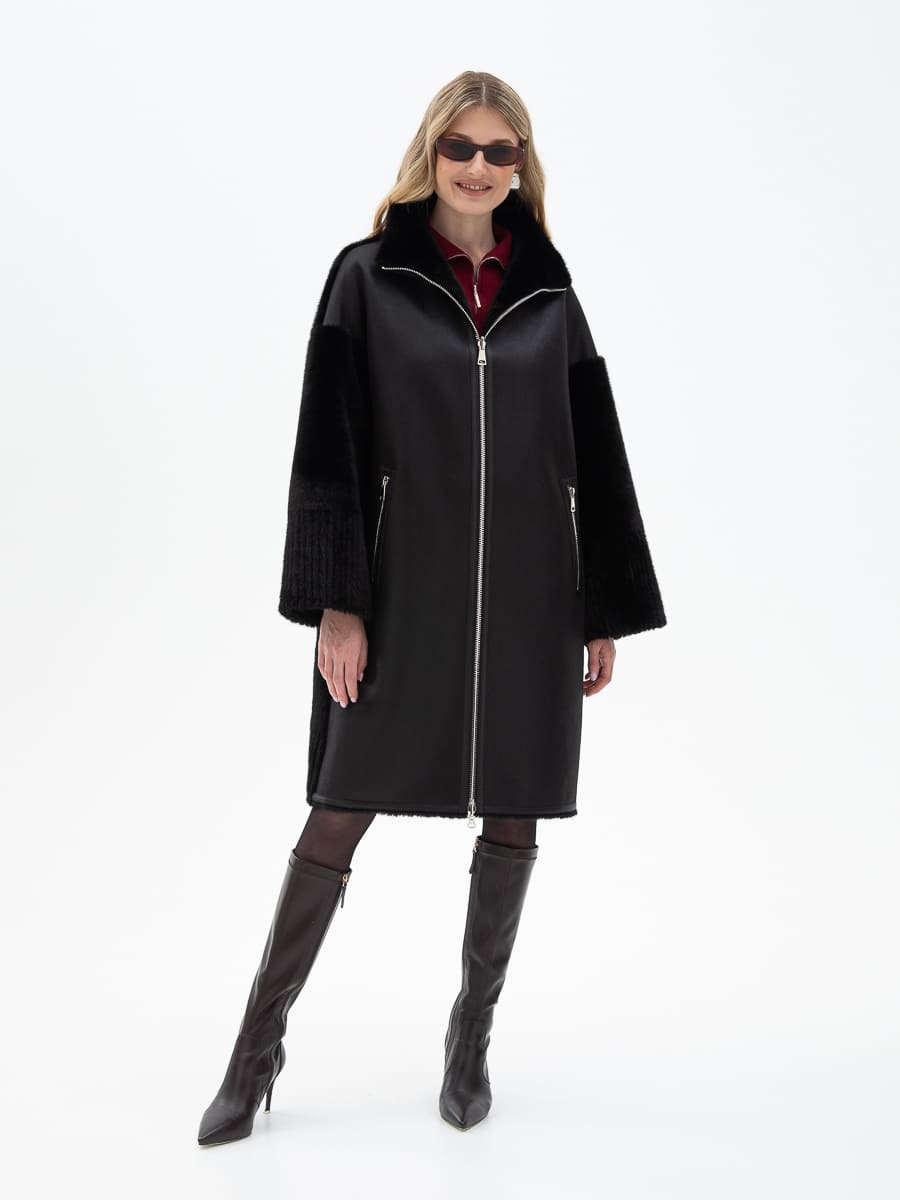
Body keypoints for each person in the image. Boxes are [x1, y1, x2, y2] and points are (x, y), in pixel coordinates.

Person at [198, 69, 666, 1147]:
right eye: (461, 146)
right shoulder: (366, 278)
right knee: (339, 805)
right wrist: (337, 603)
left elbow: (594, 452)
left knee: (515, 807)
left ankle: (470, 1042)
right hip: (399, 592)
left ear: (521, 165)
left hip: (533, 596)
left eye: (501, 151)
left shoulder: (551, 293)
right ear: (430, 152)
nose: (478, 167)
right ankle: (255, 1052)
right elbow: (327, 448)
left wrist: (602, 606)